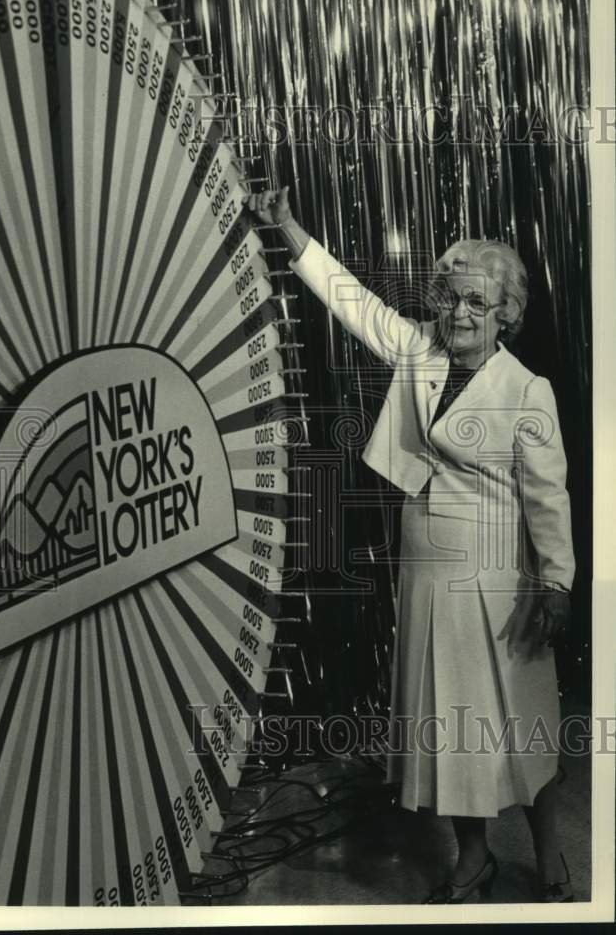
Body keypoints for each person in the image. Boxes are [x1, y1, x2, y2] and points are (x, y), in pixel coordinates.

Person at [247, 186, 576, 904]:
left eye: (477, 304)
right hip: (425, 572)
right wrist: (287, 228)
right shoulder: (419, 351)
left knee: (521, 726)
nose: (459, 314)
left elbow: (548, 497)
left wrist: (556, 584)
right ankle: (472, 859)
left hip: (500, 584)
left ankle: (550, 855)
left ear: (505, 317)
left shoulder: (528, 391)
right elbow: (352, 300)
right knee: (448, 729)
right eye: (451, 298)